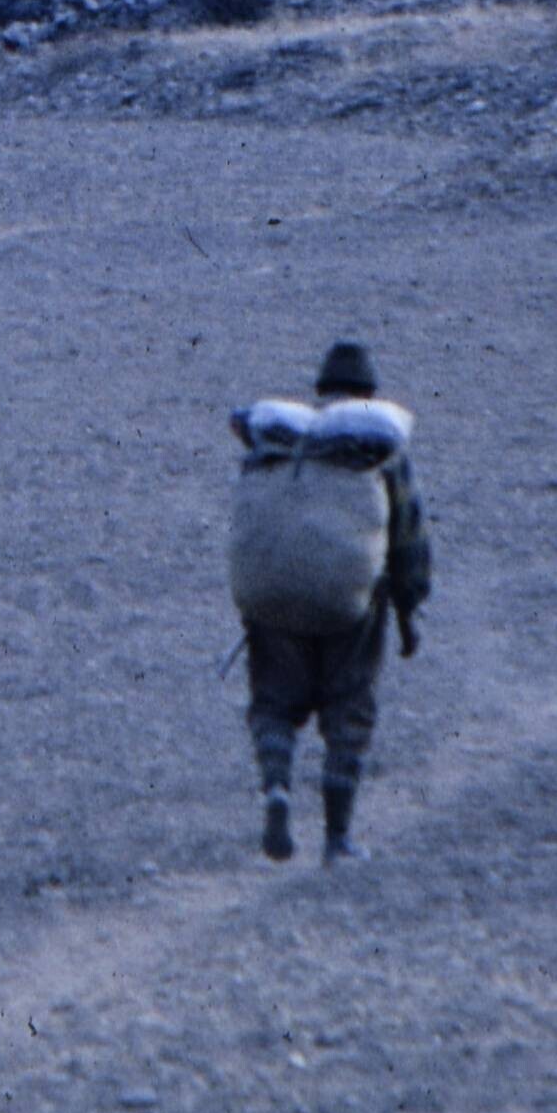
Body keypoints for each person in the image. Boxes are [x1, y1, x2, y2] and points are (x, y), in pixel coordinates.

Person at [224, 344, 430, 862]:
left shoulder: (282, 447)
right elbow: (409, 537)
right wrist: (408, 610)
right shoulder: (375, 448)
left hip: (272, 597)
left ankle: (277, 787)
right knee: (348, 707)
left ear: (321, 391)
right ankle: (337, 838)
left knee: (274, 701)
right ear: (369, 393)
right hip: (348, 603)